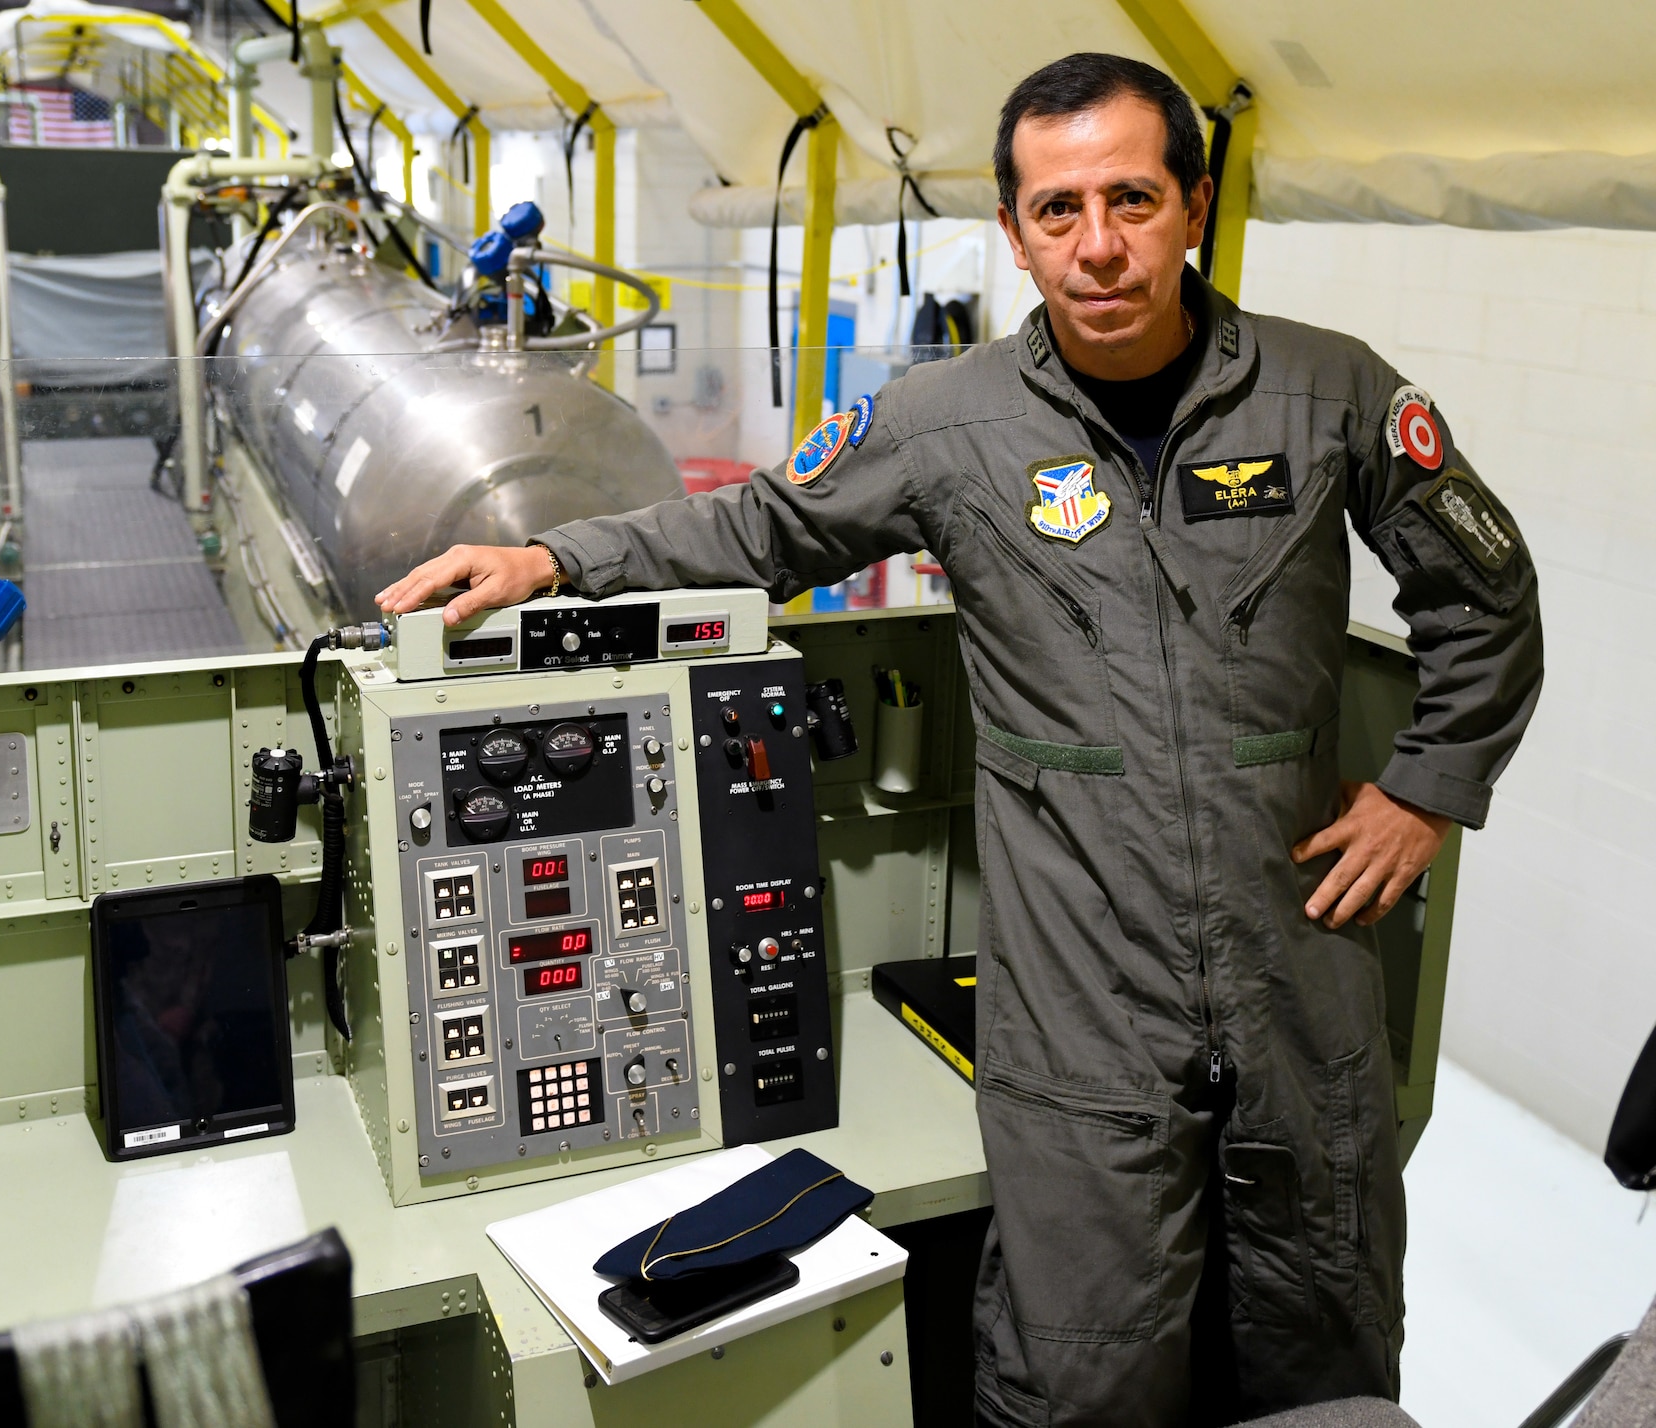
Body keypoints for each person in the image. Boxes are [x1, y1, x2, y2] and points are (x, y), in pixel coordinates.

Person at [377, 52, 1543, 1427]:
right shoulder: (946, 423)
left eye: (1130, 198)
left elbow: (1485, 591)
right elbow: (755, 531)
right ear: (1014, 228)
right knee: (1081, 1367)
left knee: (1323, 1347)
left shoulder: (1329, 393)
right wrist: (555, 560)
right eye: (1058, 210)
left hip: (1300, 976)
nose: (1097, 246)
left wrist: (1427, 789)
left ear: (1194, 204)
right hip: (1081, 1002)